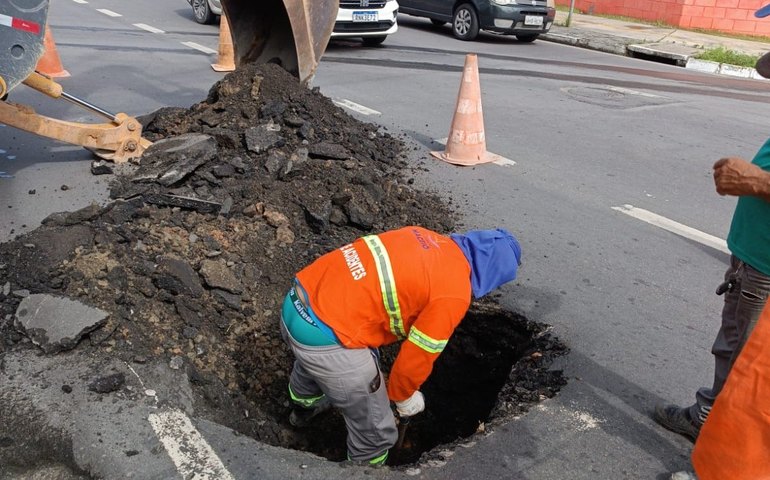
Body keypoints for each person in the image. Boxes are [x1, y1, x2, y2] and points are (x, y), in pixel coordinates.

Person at [278, 225, 522, 466]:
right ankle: (364, 470)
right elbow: (416, 357)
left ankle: (301, 410)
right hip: (324, 338)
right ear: (494, 273)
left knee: (316, 365)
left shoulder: (423, 235)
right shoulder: (453, 292)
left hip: (296, 304)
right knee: (376, 436)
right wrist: (403, 397)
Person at [653, 145, 770, 442]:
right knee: (732, 352)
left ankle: (721, 461)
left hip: (765, 271)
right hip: (753, 260)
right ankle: (709, 416)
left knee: (749, 381)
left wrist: (759, 181)